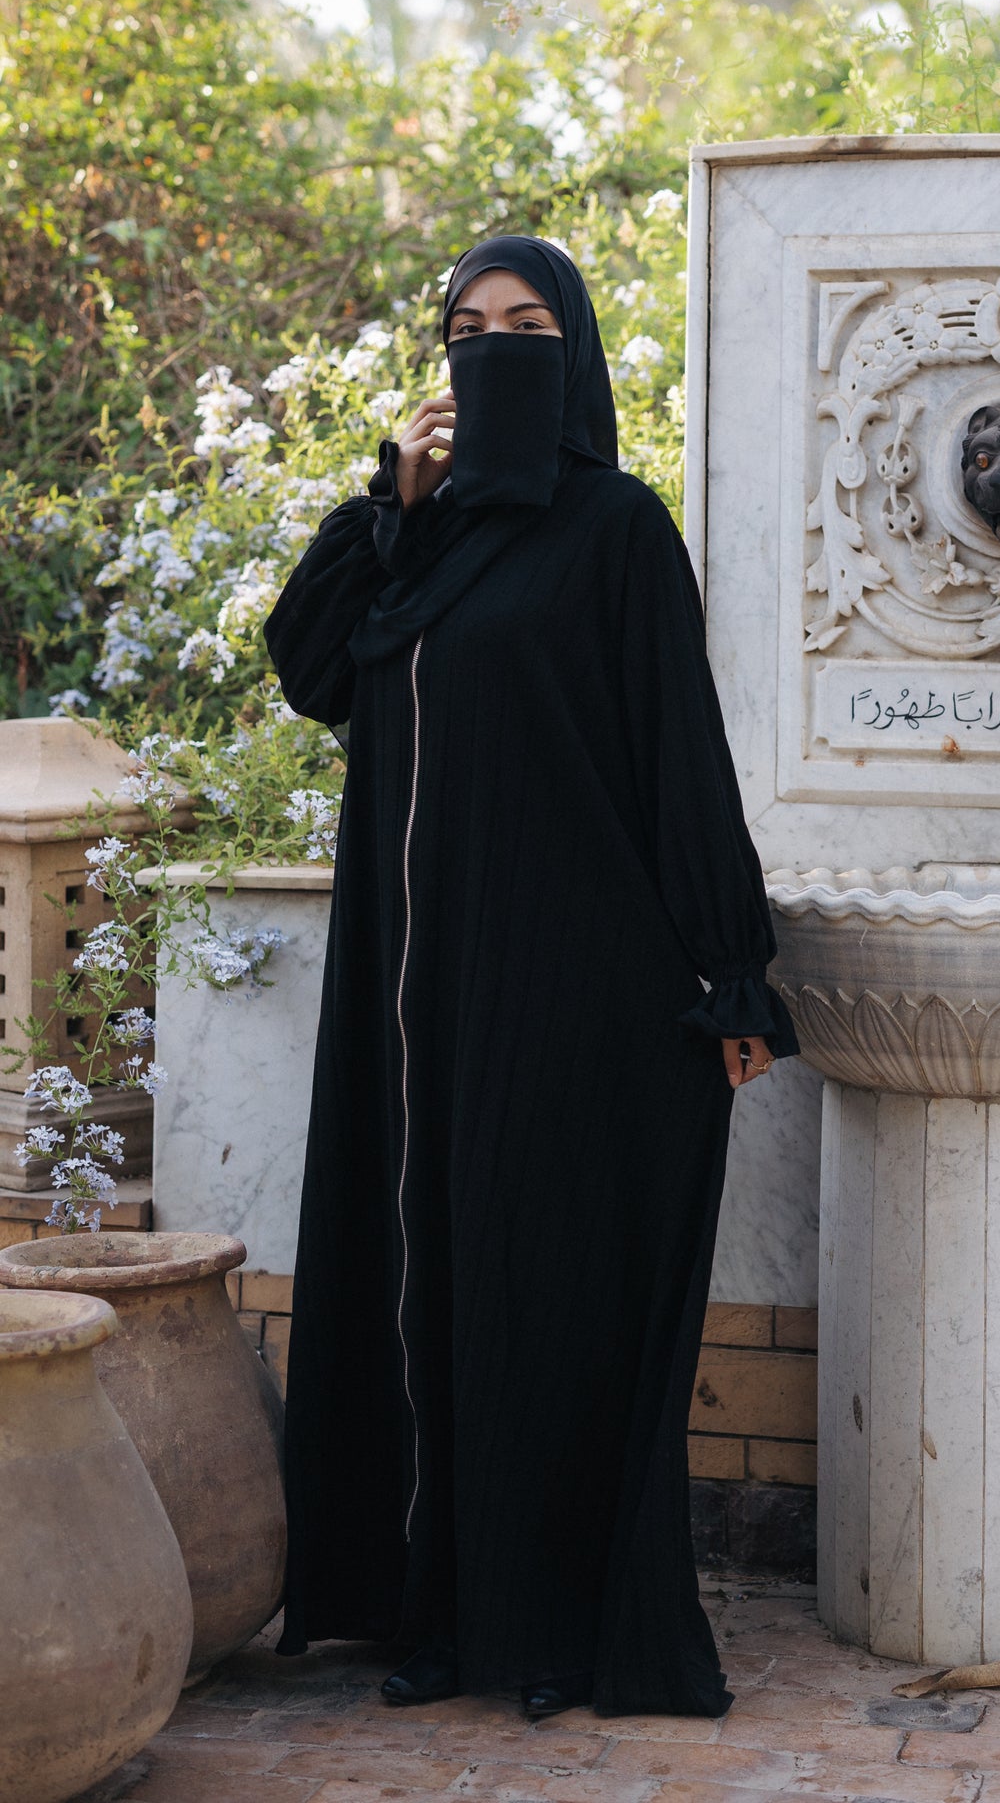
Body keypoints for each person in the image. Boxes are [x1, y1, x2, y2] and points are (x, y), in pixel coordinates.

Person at [264, 234, 796, 1723]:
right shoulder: (415, 538)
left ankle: (549, 1623)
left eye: (527, 326)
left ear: (576, 355)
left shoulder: (615, 529)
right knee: (417, 1280)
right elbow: (310, 670)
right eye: (467, 327)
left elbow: (677, 753)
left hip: (573, 982)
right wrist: (388, 499)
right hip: (408, 991)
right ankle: (429, 1611)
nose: (491, 350)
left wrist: (732, 968)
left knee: (540, 1288)